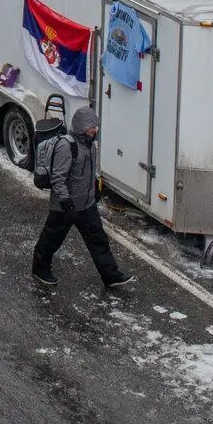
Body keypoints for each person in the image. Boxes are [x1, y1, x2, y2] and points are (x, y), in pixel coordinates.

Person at [31, 106, 134, 290]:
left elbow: (87, 169)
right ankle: (40, 268)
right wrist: (65, 202)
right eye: (91, 126)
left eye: (96, 126)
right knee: (51, 239)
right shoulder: (66, 146)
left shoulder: (89, 144)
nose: (95, 130)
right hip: (65, 206)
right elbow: (58, 177)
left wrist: (94, 187)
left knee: (98, 240)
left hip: (86, 204)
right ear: (80, 127)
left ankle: (110, 275)